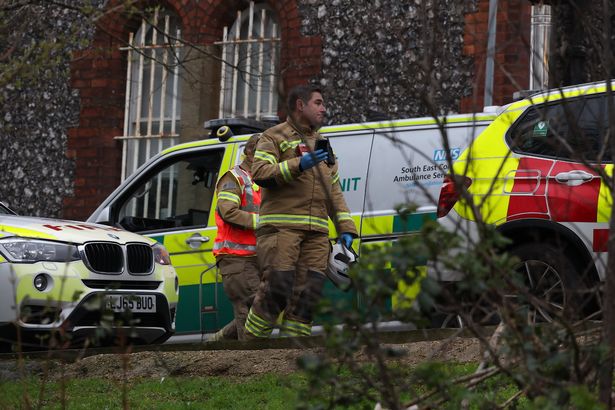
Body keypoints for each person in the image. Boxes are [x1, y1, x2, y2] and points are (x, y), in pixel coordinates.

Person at [245, 85, 357, 338]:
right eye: (318, 103)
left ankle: (294, 355)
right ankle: (249, 348)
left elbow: (334, 191)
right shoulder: (273, 137)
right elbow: (260, 173)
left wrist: (346, 229)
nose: (323, 108)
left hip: (316, 233)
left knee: (309, 295)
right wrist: (298, 164)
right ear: (300, 105)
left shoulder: (323, 145)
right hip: (281, 230)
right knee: (278, 289)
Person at [210, 133, 262, 341]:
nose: (269, 159)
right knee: (251, 308)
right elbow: (228, 212)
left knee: (259, 308)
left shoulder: (263, 179)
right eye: (264, 153)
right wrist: (262, 222)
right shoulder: (234, 178)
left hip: (257, 256)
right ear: (249, 153)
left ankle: (217, 343)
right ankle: (251, 362)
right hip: (236, 256)